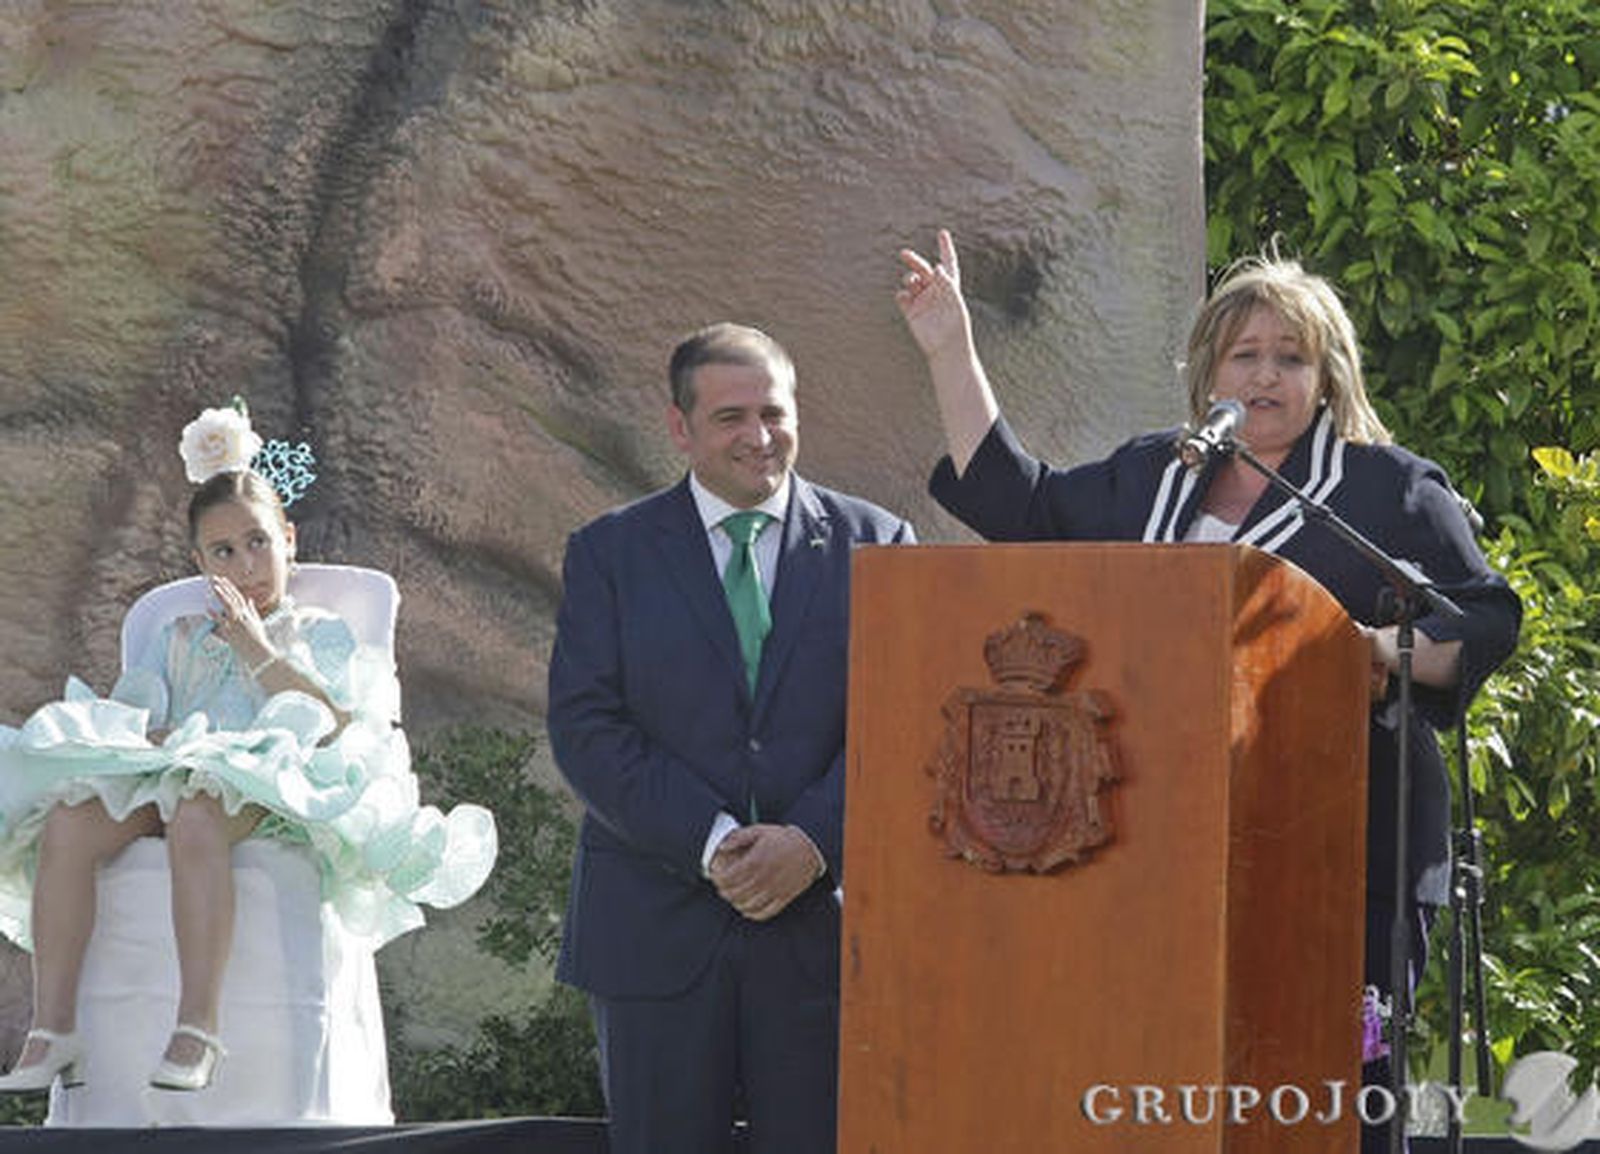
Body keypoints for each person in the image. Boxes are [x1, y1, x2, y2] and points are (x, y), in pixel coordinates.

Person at [896, 230, 1520, 1153]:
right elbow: (1017, 503)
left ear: (1327, 377)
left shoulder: (1385, 489)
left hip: (1349, 847)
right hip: (1159, 847)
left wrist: (1374, 646)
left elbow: (1484, 619)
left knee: (1326, 1097)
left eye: (1290, 358)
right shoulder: (1155, 475)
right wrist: (951, 348)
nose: (1264, 376)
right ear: (1208, 373)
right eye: (1244, 355)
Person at [0, 405, 496, 1098]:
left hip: (272, 784)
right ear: (201, 563)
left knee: (200, 810)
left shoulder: (316, 631)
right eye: (224, 552)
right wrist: (153, 738)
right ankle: (55, 1027)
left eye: (258, 542)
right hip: (177, 771)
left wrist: (257, 650)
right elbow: (147, 719)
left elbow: (337, 724)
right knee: (71, 820)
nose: (247, 565)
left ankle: (198, 1026)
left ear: (289, 540)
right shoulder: (179, 636)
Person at [547, 322, 915, 1154]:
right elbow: (585, 725)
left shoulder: (880, 545)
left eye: (774, 413)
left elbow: (902, 722)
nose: (759, 436)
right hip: (654, 934)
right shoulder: (608, 553)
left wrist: (811, 843)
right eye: (730, 418)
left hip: (823, 937)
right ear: (679, 428)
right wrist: (715, 844)